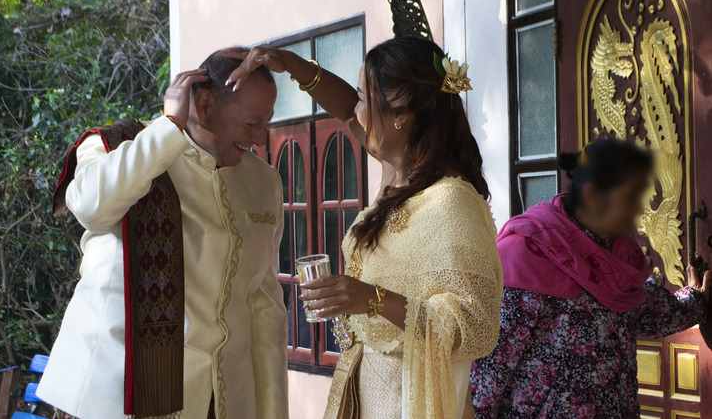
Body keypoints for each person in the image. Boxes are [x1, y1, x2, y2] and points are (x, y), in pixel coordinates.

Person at [227, 36, 504, 419]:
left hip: (406, 403)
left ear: (401, 113)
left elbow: (475, 326)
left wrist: (371, 299)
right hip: (363, 393)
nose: (354, 111)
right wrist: (292, 65)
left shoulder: (452, 202)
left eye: (362, 97)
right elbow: (343, 109)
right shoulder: (398, 173)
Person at [37, 48, 289, 419]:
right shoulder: (115, 147)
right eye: (252, 124)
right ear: (202, 104)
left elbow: (265, 307)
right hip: (113, 398)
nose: (262, 139)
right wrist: (169, 126)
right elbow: (90, 207)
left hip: (216, 403)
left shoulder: (263, 182)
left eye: (267, 123)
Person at [470, 139, 710, 418]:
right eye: (631, 197)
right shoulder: (524, 256)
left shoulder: (619, 258)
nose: (639, 210)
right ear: (594, 195)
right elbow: (486, 379)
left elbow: (653, 314)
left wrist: (696, 298)